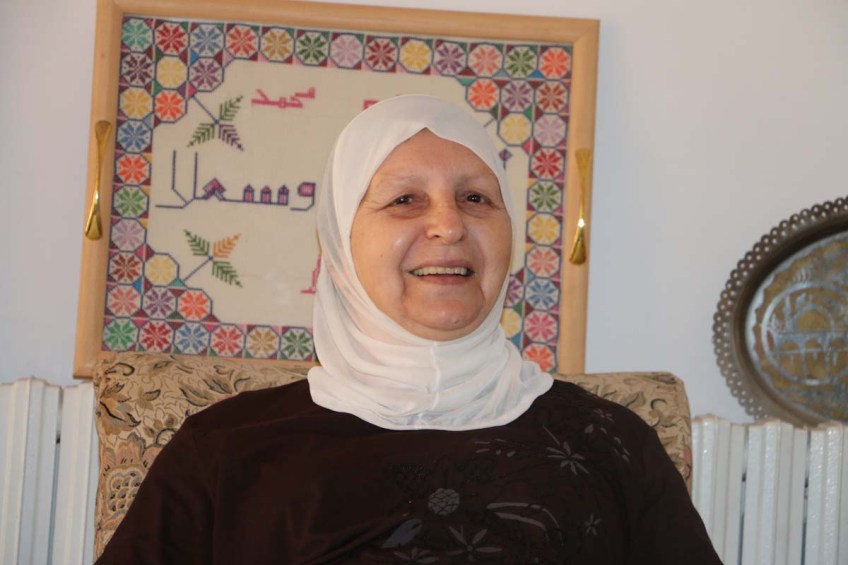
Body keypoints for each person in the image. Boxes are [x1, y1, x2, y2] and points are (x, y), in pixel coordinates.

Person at [97, 95, 721, 563]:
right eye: (405, 200)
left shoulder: (608, 444)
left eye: (476, 198)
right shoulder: (227, 449)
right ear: (341, 242)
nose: (448, 225)